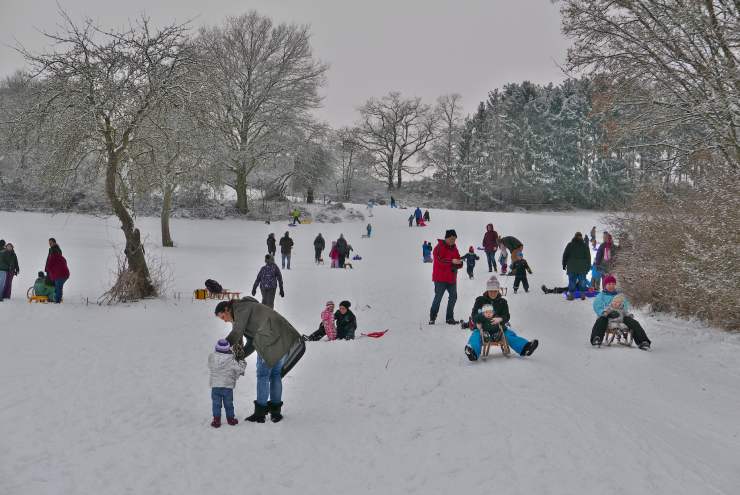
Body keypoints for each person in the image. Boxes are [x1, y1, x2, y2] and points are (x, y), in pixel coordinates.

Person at [216, 298, 302, 423]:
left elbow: (237, 332)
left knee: (263, 375)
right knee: (275, 375)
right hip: (282, 338)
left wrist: (222, 347)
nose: (224, 320)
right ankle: (276, 412)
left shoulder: (240, 308)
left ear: (227, 309)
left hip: (269, 339)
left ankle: (260, 413)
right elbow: (252, 343)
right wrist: (240, 356)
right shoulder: (249, 308)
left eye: (223, 317)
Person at [464, 276, 539, 360]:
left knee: (509, 335)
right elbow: (474, 315)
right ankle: (472, 351)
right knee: (476, 335)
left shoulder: (502, 302)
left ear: (498, 290)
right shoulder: (480, 301)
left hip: (498, 330)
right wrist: (478, 321)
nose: (493, 293)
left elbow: (507, 316)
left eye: (495, 291)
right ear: (487, 290)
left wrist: (501, 319)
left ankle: (525, 348)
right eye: (491, 291)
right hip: (483, 329)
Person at [590, 275, 651, 350]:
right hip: (606, 315)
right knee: (600, 321)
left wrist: (621, 310)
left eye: (613, 284)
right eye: (609, 284)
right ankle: (597, 338)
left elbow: (625, 305)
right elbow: (597, 306)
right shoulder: (601, 296)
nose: (611, 286)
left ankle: (643, 341)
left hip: (620, 315)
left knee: (633, 322)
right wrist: (605, 313)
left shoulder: (619, 295)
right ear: (605, 285)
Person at [208, 338, 248, 428]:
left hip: (215, 386)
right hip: (227, 387)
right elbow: (240, 369)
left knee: (216, 404)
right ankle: (230, 419)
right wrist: (242, 361)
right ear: (228, 349)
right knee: (228, 403)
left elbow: (209, 365)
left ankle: (216, 420)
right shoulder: (231, 360)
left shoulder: (212, 357)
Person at [429, 229, 463, 325]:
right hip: (440, 278)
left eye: (455, 239)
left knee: (453, 297)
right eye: (452, 238)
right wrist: (452, 261)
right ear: (447, 238)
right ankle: (432, 317)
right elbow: (439, 261)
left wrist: (460, 263)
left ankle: (449, 318)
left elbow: (458, 259)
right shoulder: (439, 247)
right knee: (438, 297)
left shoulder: (454, 248)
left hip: (451, 278)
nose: (453, 241)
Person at [562, 232, 592, 300]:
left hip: (571, 267)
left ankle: (571, 295)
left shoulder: (570, 245)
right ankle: (582, 295)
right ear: (581, 237)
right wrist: (588, 267)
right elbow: (588, 257)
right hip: (582, 268)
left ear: (574, 237)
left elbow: (565, 255)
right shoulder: (585, 246)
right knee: (582, 281)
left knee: (572, 281)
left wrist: (564, 264)